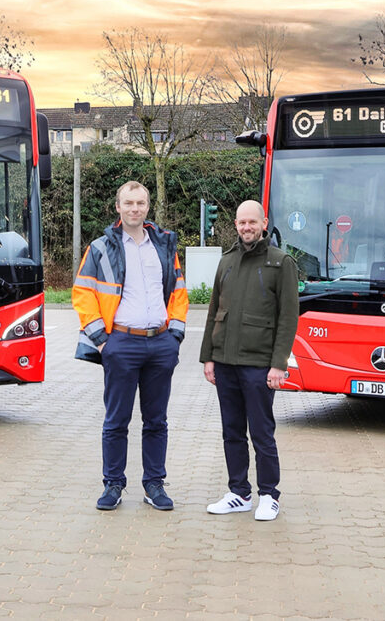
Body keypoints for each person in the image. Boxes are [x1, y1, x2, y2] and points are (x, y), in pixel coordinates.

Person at [73, 181, 188, 511]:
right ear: (118, 207)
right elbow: (82, 293)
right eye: (128, 203)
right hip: (120, 343)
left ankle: (154, 484)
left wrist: (175, 336)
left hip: (160, 343)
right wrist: (102, 341)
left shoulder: (164, 246)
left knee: (156, 421)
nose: (134, 208)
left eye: (140, 203)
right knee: (116, 420)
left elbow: (179, 292)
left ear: (147, 206)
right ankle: (113, 484)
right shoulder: (100, 248)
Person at [200, 200, 299, 521]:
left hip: (260, 365)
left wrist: (279, 363)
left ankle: (269, 494)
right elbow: (214, 310)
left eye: (252, 222)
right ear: (236, 224)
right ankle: (239, 493)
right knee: (232, 430)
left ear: (263, 223)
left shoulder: (280, 262)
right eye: (241, 223)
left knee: (261, 432)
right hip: (225, 361)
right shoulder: (226, 261)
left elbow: (288, 318)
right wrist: (208, 358)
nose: (246, 228)